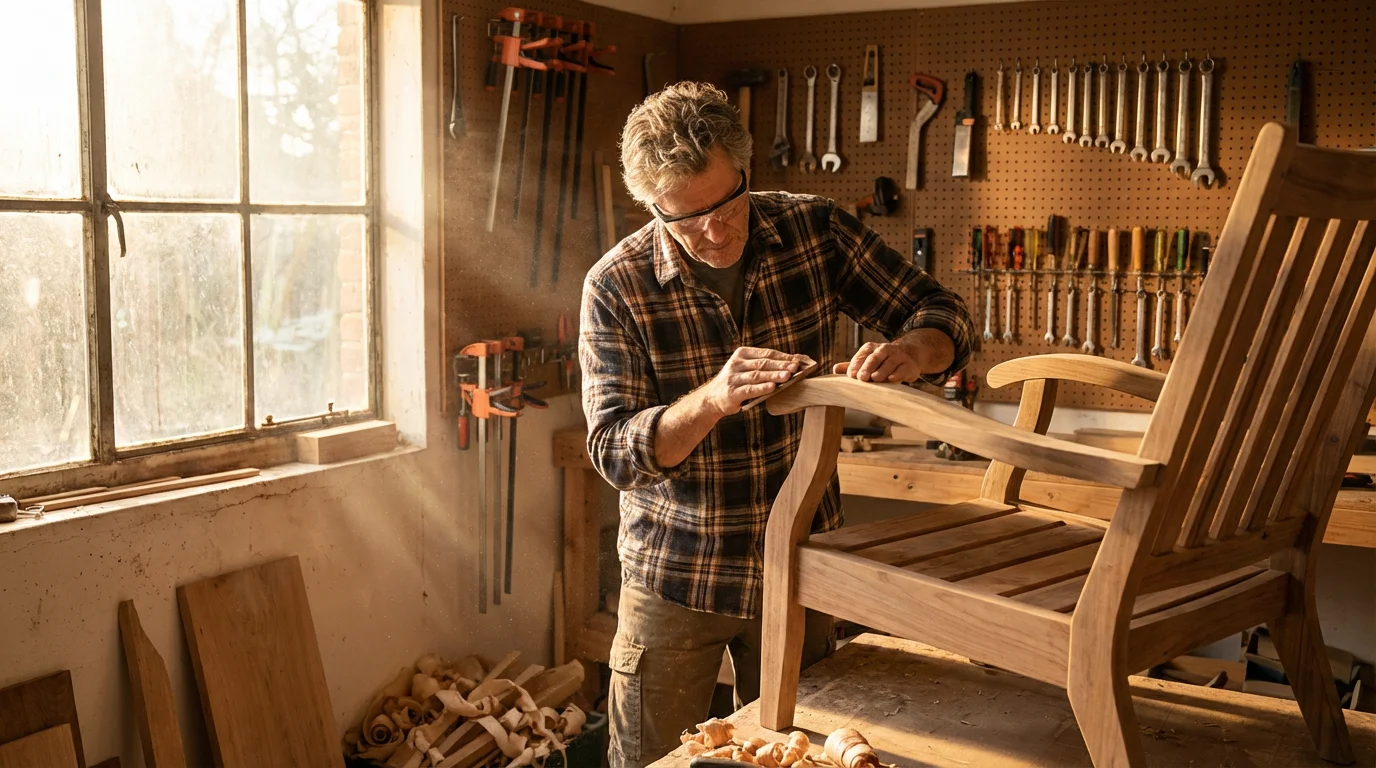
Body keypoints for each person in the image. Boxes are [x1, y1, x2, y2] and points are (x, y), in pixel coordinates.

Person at [579, 81, 975, 767]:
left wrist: (914, 350)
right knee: (649, 760)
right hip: (676, 576)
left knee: (806, 756)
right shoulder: (616, 286)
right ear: (651, 207)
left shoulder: (812, 230)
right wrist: (709, 400)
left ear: (745, 167)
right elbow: (614, 453)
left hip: (799, 566)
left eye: (727, 202)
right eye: (685, 218)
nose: (716, 230)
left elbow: (944, 313)